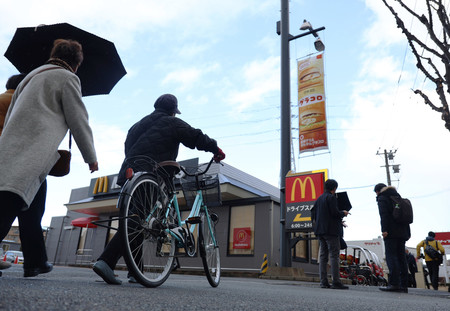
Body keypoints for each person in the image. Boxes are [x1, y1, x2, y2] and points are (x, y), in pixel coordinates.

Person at [92, 93, 225, 285]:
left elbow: (128, 147)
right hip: (154, 172)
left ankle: (135, 271)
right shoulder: (172, 122)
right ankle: (106, 261)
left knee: (137, 219)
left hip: (131, 173)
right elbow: (195, 137)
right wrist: (215, 149)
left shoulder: (137, 125)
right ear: (173, 111)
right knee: (139, 220)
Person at [0, 39, 98, 278]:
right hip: (34, 150)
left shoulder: (29, 78)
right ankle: (35, 261)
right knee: (9, 201)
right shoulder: (68, 78)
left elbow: (11, 114)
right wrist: (90, 156)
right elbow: (78, 119)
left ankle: (35, 261)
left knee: (32, 207)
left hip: (11, 147)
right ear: (75, 63)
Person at [312, 179, 350, 290]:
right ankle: (336, 282)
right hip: (331, 231)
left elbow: (315, 215)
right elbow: (334, 213)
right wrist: (343, 213)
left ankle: (323, 282)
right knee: (334, 255)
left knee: (323, 256)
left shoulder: (318, 199)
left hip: (320, 231)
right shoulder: (331, 197)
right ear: (334, 189)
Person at [374, 183, 410, 293]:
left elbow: (383, 215)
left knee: (391, 256)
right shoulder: (397, 196)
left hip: (391, 232)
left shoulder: (383, 198)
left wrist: (384, 230)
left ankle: (394, 284)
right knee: (401, 257)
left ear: (378, 191)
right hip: (403, 232)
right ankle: (404, 285)